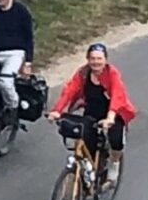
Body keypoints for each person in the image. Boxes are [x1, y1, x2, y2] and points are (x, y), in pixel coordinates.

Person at [53, 40, 137, 187]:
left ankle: (113, 168)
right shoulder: (83, 73)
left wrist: (110, 117)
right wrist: (57, 110)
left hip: (114, 112)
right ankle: (88, 173)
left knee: (115, 139)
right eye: (92, 58)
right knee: (86, 140)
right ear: (88, 59)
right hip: (92, 111)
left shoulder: (112, 74)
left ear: (105, 60)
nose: (96, 62)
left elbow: (118, 95)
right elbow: (70, 91)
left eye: (99, 59)